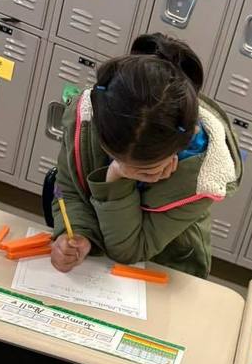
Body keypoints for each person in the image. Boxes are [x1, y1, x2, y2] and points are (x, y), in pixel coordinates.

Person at [50, 33, 242, 278]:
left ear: (181, 144)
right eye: (115, 156)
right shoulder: (93, 117)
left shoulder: (203, 175)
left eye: (144, 169)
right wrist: (77, 233)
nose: (125, 166)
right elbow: (68, 188)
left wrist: (118, 175)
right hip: (94, 270)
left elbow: (130, 249)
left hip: (165, 271)